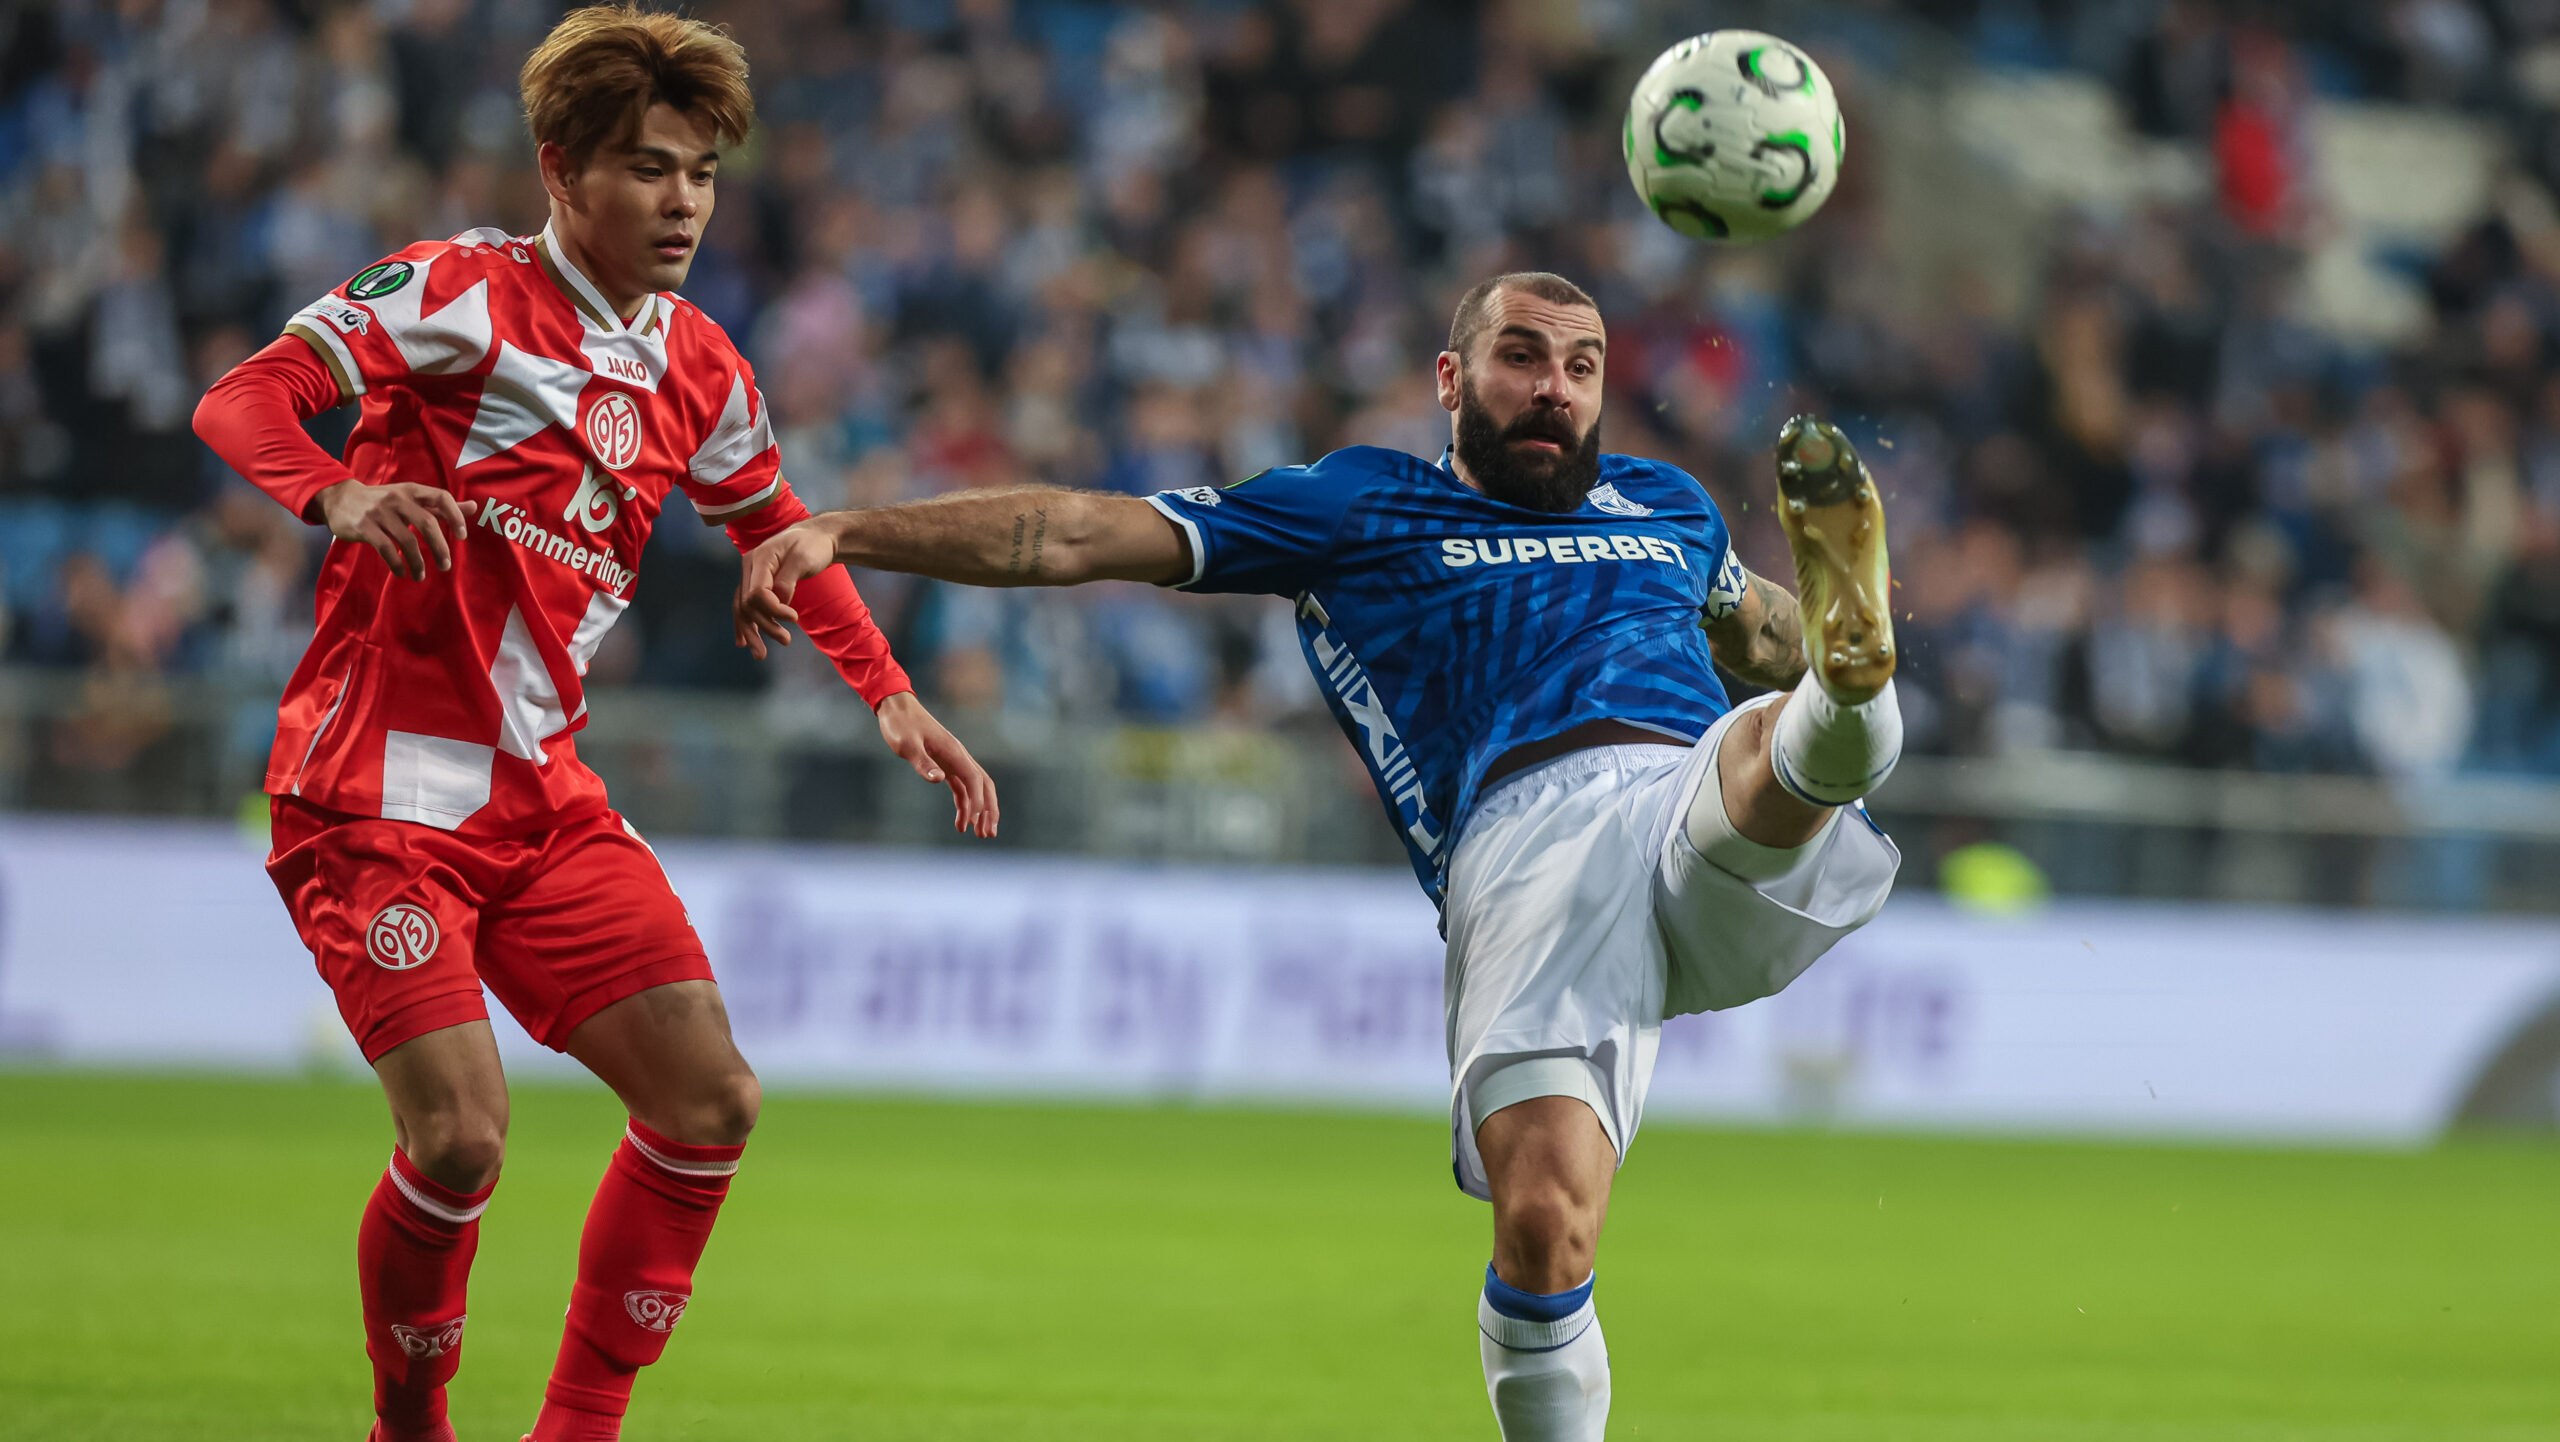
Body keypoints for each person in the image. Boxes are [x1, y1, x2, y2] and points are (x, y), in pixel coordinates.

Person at [734, 270, 1903, 1441]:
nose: (1554, 388)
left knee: (1775, 735)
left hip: (1681, 783)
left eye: (1582, 366)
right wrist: (849, 529)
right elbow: (1084, 532)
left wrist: (1825, 636)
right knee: (1544, 1219)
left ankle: (1852, 701)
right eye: (1523, 357)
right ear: (1451, 378)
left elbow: (1764, 632)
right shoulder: (1357, 504)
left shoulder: (1669, 506)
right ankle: (1851, 713)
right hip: (1520, 840)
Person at [192, 9, 998, 1441]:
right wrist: (341, 491)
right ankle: (410, 1422)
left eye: (699, 173)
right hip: (372, 793)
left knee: (712, 1101)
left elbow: (782, 532)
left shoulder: (700, 366)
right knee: (460, 1135)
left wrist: (889, 692)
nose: (683, 199)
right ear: (563, 174)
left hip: (543, 800)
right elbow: (241, 397)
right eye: (648, 168)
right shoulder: (453, 292)